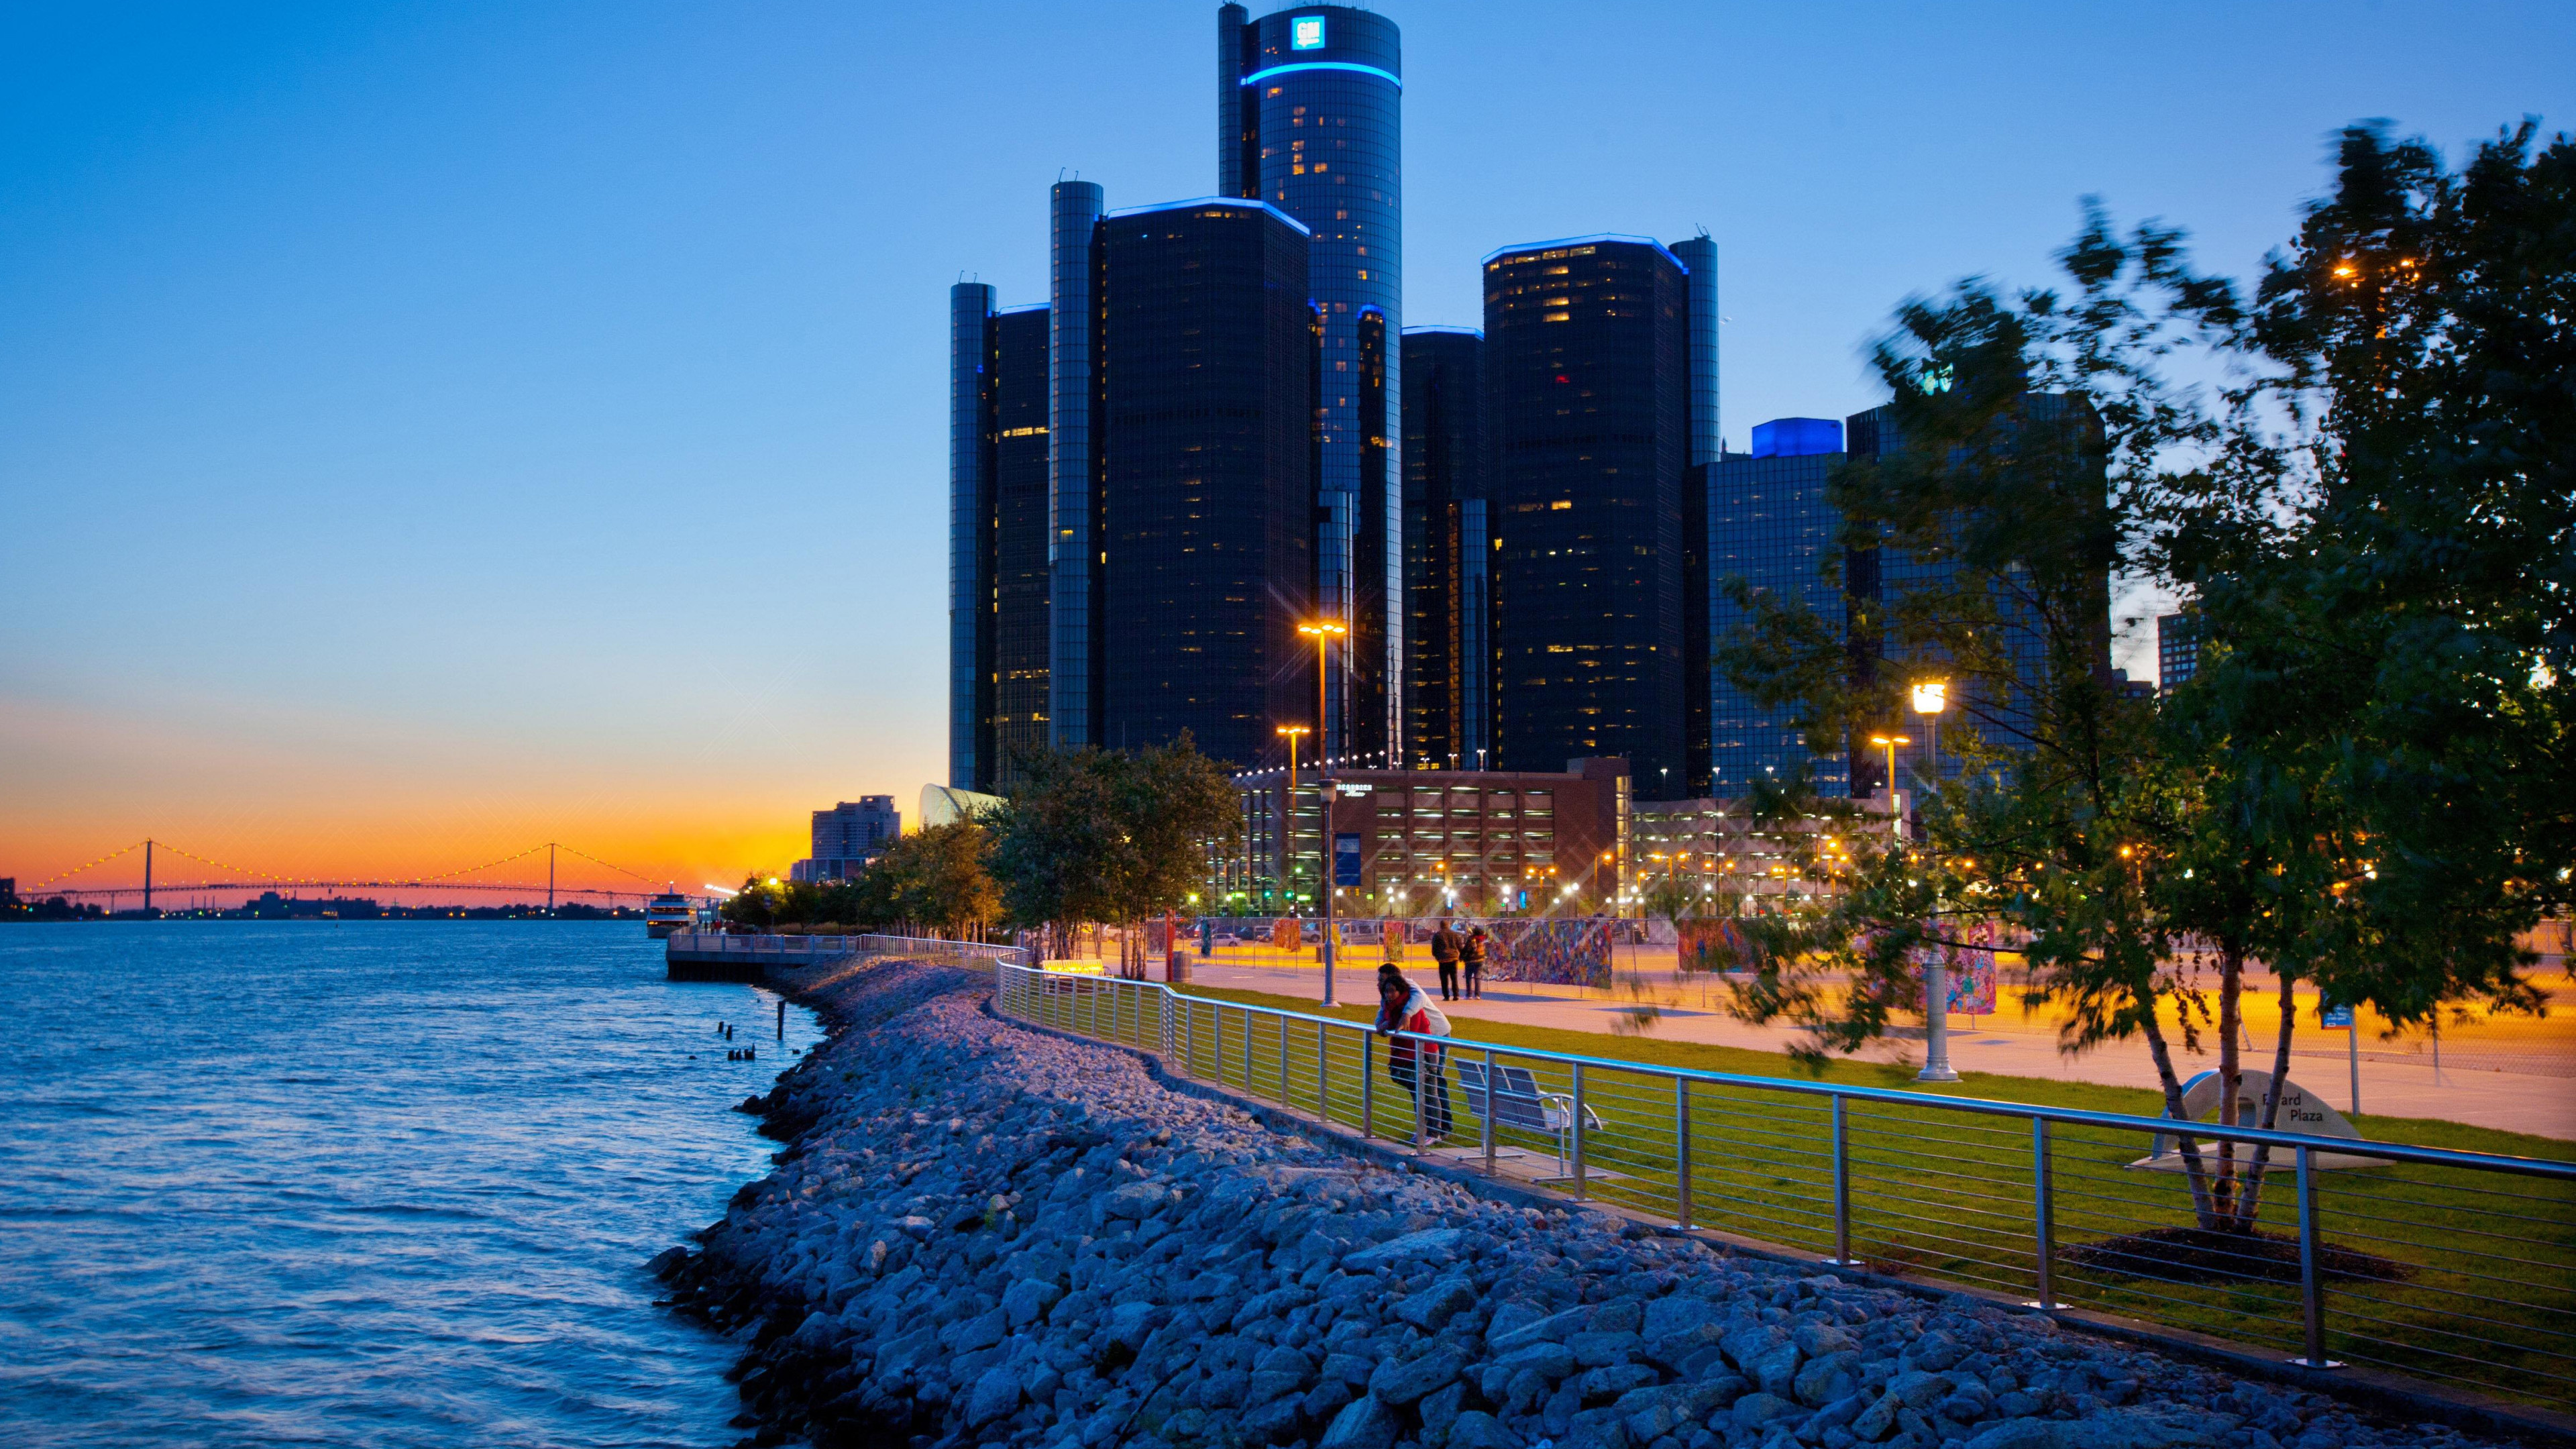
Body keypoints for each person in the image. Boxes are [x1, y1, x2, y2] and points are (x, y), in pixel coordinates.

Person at [1374, 963, 1454, 1140]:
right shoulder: (1389, 996)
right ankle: (1428, 1127)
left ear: (1393, 978)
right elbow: (1384, 1013)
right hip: (1418, 1044)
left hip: (1436, 1036)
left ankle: (1442, 1128)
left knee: (1434, 1083)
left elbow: (1417, 1002)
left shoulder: (1409, 988)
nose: (1379, 983)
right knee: (1422, 1087)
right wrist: (1380, 1024)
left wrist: (1407, 1014)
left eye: (1381, 979)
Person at [1430, 920, 1462, 1001]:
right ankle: (1456, 995)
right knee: (1454, 977)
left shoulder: (1438, 935)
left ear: (1441, 926)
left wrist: (1437, 956)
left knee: (1444, 979)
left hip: (1443, 959)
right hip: (1453, 958)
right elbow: (1460, 946)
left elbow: (1434, 948)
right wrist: (1461, 956)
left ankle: (1446, 996)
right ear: (1448, 925)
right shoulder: (1454, 934)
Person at [1460, 925, 1489, 1000]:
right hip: (1480, 961)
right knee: (1478, 978)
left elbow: (1467, 949)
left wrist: (1462, 957)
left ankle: (1469, 995)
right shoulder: (1482, 940)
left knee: (1468, 977)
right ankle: (1478, 995)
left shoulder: (1472, 939)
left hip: (1471, 961)